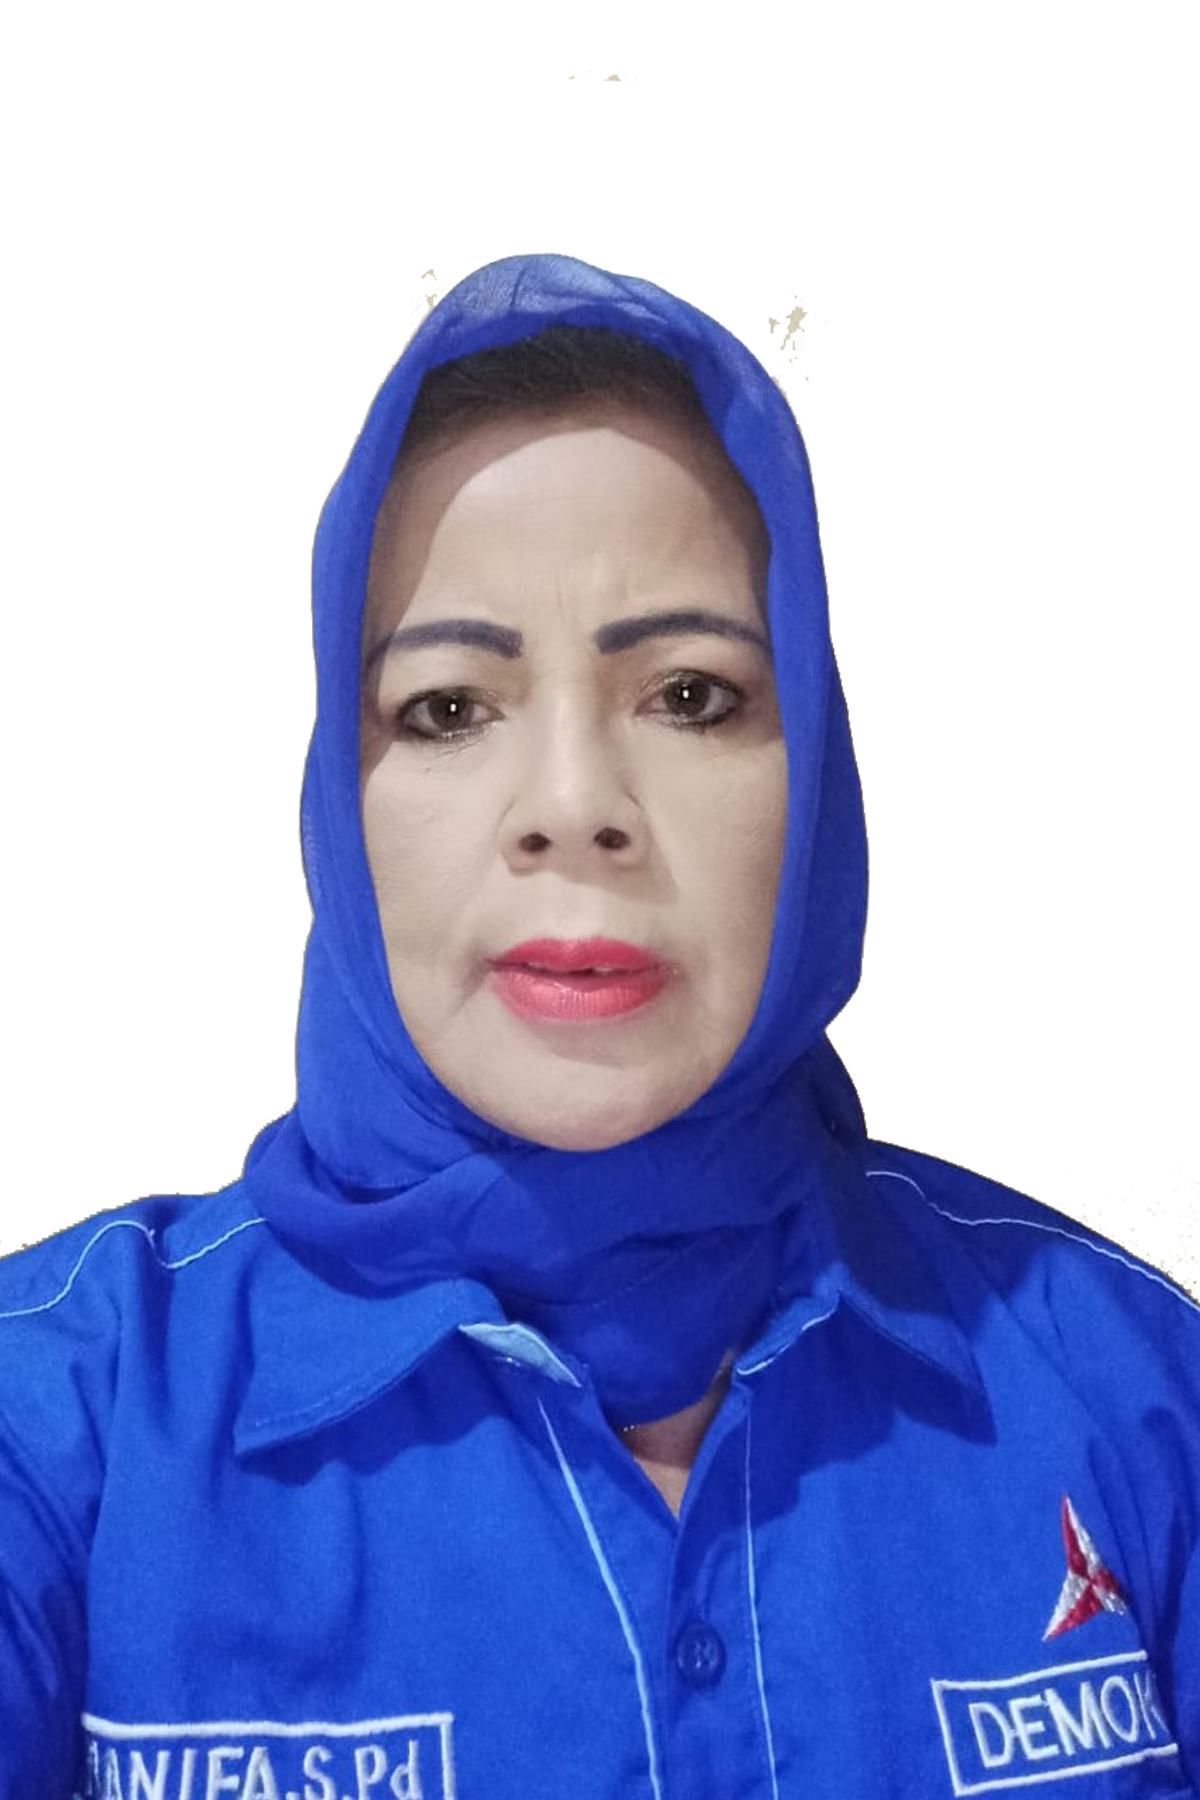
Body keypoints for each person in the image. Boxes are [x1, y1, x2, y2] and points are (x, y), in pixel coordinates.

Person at [0, 253, 1196, 1800]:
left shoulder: (1125, 1385)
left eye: (690, 695)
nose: (573, 807)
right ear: (338, 809)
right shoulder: (65, 1430)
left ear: (818, 782)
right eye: (447, 707)